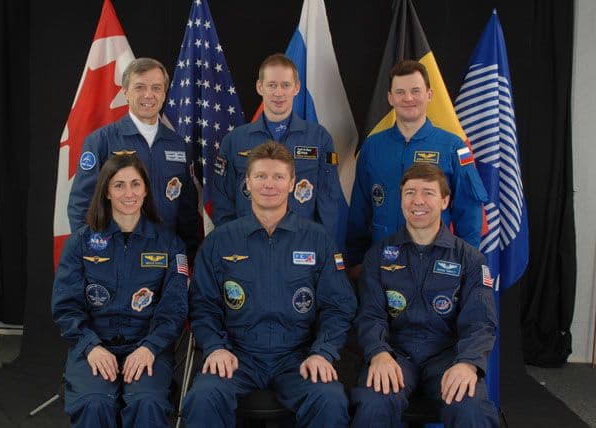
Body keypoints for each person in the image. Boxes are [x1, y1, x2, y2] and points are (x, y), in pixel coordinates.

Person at [183, 141, 356, 427]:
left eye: (278, 177)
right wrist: (215, 346)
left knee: (330, 399)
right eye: (261, 176)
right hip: (237, 355)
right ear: (247, 182)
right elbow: (202, 306)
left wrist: (322, 352)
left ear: (292, 183)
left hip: (297, 357)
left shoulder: (317, 240)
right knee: (203, 397)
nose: (269, 184)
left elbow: (338, 306)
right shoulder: (220, 241)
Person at [350, 163, 499, 427]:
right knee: (373, 403)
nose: (418, 200)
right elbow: (370, 315)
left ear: (445, 201)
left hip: (448, 356)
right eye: (410, 192)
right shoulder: (378, 256)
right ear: (401, 199)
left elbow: (480, 322)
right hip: (395, 354)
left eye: (428, 193)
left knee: (472, 409)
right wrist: (378, 353)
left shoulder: (470, 259)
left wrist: (467, 363)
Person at [52, 154, 188, 427]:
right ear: (106, 191)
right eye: (119, 185)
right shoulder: (81, 243)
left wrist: (150, 347)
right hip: (94, 345)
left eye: (135, 184)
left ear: (146, 189)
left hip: (147, 347)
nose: (129, 193)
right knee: (95, 402)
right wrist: (91, 347)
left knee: (146, 403)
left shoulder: (169, 244)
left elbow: (174, 308)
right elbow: (66, 306)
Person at [346, 60, 488, 278]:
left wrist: (465, 263)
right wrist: (356, 261)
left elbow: (469, 212)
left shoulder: (453, 147)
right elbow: (359, 209)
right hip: (382, 264)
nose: (408, 98)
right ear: (390, 98)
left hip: (435, 266)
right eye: (400, 92)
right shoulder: (372, 147)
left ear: (429, 95)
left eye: (415, 91)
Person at [67, 57, 199, 262]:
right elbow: (81, 204)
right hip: (116, 257)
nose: (148, 95)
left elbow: (187, 210)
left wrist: (188, 257)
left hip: (166, 257)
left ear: (164, 94)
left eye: (156, 88)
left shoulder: (178, 145)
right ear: (125, 92)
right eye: (140, 87)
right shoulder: (102, 141)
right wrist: (94, 253)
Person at [212, 53, 342, 242]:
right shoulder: (235, 141)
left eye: (285, 85)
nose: (279, 93)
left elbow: (328, 202)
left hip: (301, 245)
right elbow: (223, 204)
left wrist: (323, 247)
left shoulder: (318, 138)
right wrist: (233, 246)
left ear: (296, 88)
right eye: (272, 85)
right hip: (248, 243)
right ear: (260, 87)